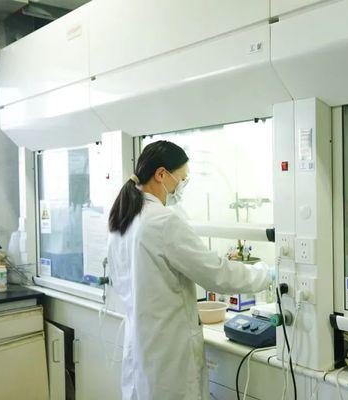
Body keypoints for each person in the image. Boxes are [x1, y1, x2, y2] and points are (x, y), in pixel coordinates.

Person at [107, 140, 272, 400]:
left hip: (141, 344)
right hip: (168, 352)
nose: (181, 187)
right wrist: (265, 274)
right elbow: (216, 273)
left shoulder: (122, 218)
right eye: (181, 179)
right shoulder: (162, 220)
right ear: (161, 174)